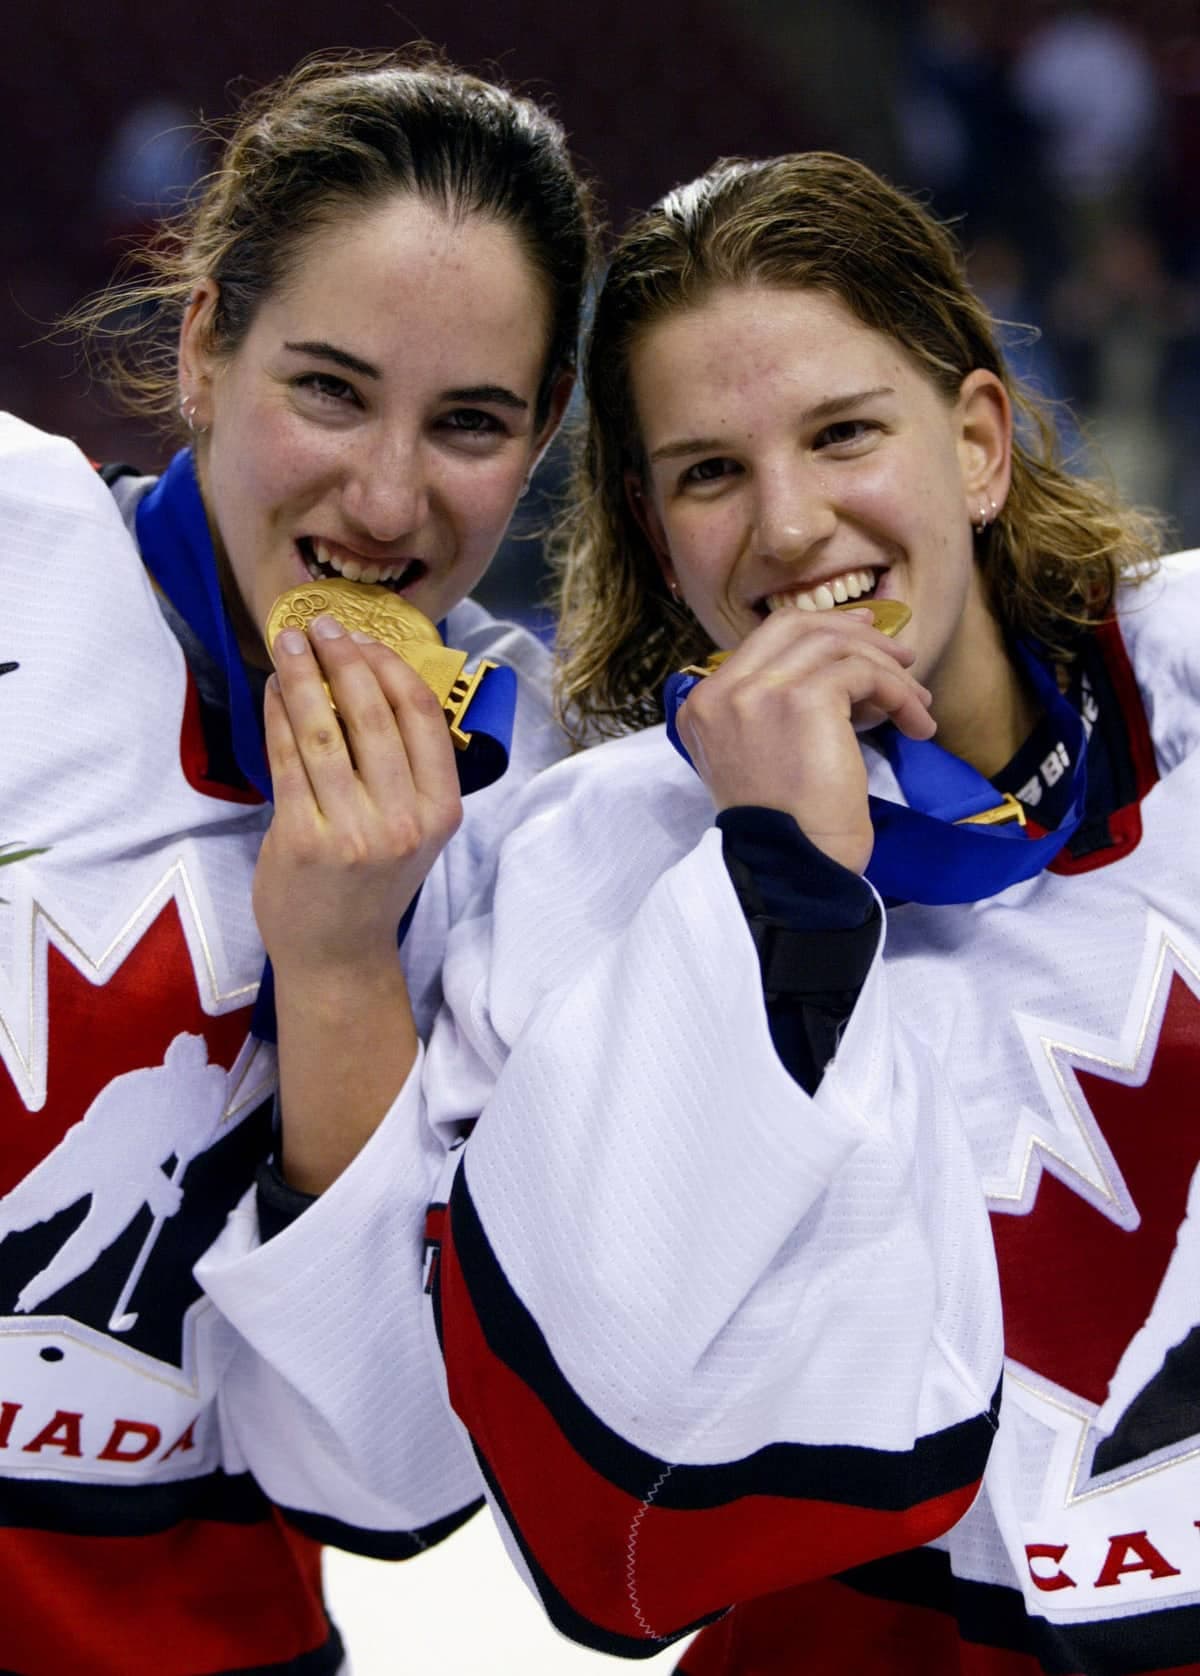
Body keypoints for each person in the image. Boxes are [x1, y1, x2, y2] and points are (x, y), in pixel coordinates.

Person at [411, 152, 1200, 1673]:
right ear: (652, 526)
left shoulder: (1183, 683)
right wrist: (779, 888)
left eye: (845, 434)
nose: (788, 527)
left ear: (976, 444)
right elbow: (608, 1550)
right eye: (711, 472)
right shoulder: (585, 870)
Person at [0, 47, 593, 1675]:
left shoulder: (540, 807)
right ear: (202, 346)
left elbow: (388, 1483)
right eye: (327, 388)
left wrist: (339, 965)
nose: (387, 497)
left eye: (468, 423)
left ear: (539, 441)